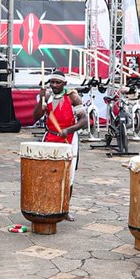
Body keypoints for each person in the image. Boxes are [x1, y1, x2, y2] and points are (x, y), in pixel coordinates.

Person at [32, 71, 89, 207]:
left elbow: (84, 120)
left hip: (69, 139)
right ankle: (48, 205)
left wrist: (68, 130)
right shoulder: (46, 96)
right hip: (50, 136)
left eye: (58, 83)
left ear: (65, 84)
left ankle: (64, 208)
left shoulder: (73, 97)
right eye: (52, 82)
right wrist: (41, 100)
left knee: (68, 175)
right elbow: (35, 117)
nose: (54, 85)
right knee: (47, 173)